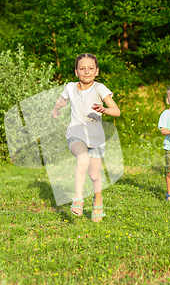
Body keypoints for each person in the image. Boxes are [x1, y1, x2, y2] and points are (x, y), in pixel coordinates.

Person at [51, 53, 120, 222]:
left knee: (95, 175)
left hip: (96, 139)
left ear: (97, 71)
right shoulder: (70, 87)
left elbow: (116, 111)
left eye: (90, 68)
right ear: (76, 72)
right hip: (75, 134)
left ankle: (98, 201)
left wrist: (104, 110)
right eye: (82, 68)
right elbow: (62, 101)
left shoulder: (99, 88)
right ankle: (78, 199)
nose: (86, 72)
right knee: (82, 160)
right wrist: (55, 110)